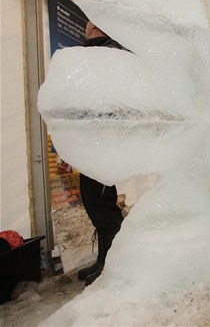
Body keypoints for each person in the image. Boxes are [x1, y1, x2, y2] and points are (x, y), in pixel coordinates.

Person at [76, 21, 126, 286]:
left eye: (90, 23)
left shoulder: (111, 52)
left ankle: (114, 262)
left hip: (103, 141)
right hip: (92, 140)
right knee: (93, 200)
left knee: (102, 203)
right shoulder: (96, 51)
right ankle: (105, 257)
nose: (86, 26)